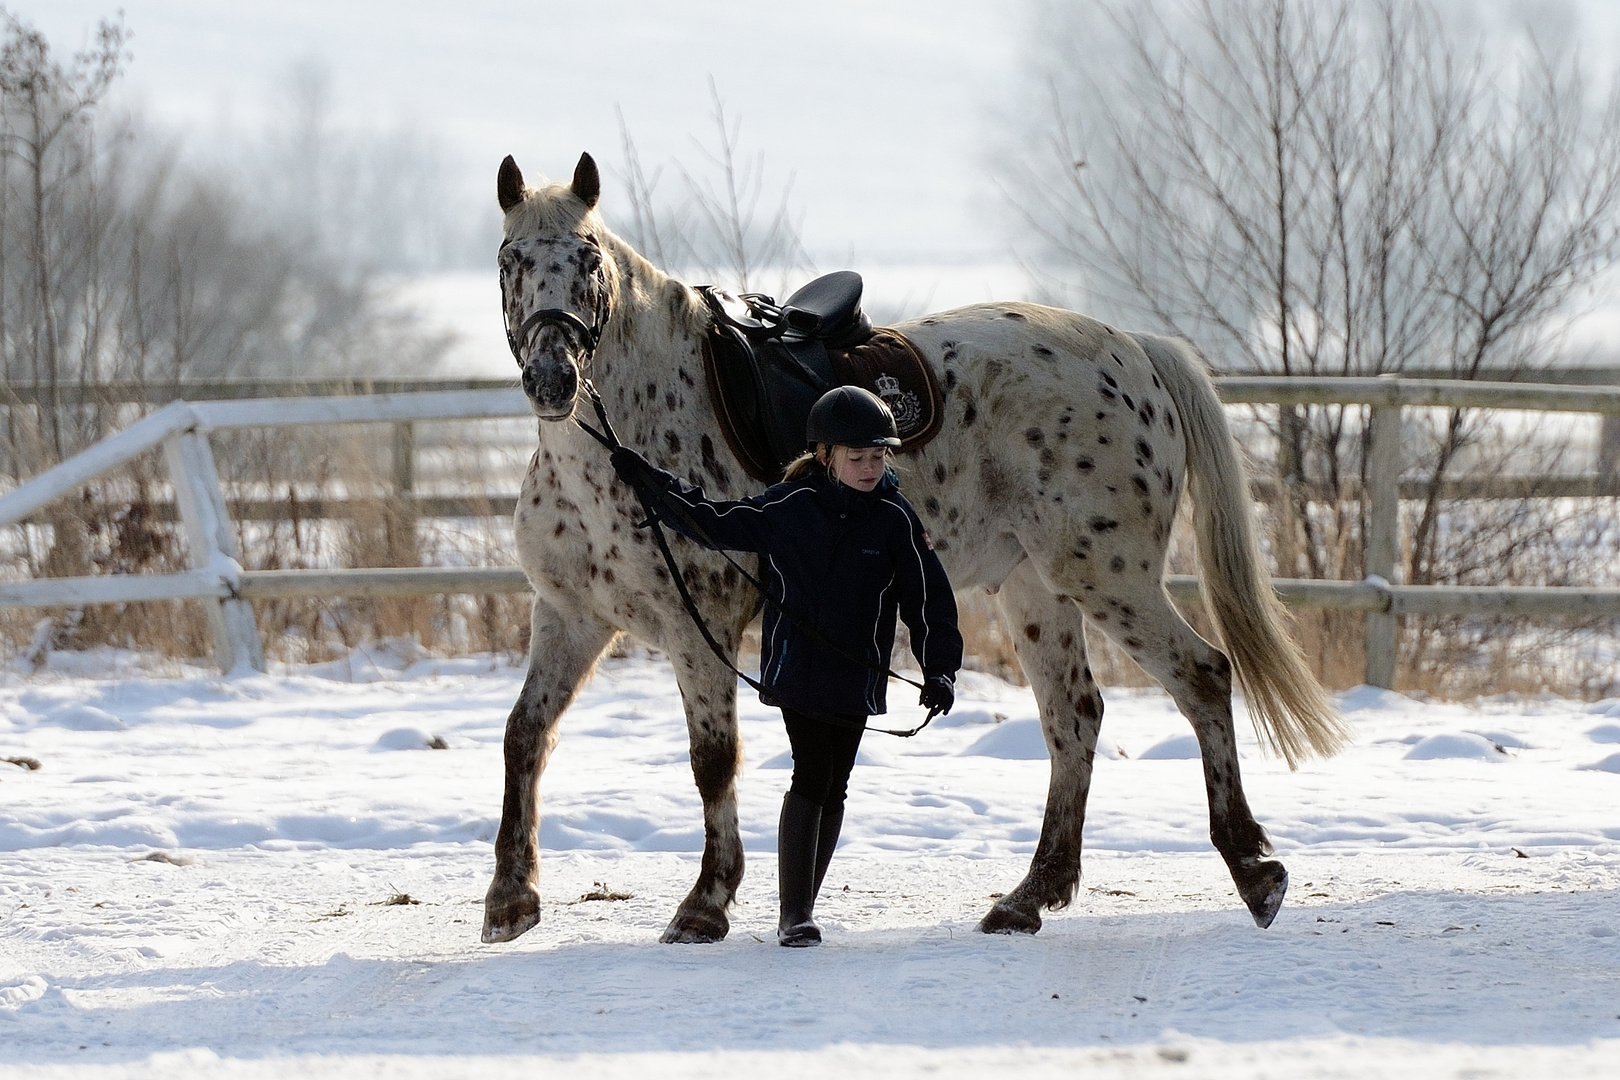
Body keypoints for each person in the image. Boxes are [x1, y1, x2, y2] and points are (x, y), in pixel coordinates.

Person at [610, 386, 962, 947]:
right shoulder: (790, 506)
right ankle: (793, 915)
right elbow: (713, 521)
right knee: (812, 772)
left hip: (858, 675)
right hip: (799, 670)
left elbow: (929, 601)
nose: (870, 467)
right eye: (857, 457)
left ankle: (802, 906)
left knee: (837, 784)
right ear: (826, 456)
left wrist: (940, 669)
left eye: (878, 457)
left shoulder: (895, 520)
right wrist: (651, 483)